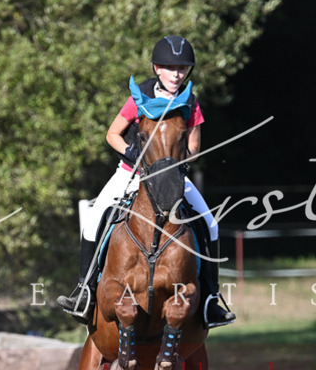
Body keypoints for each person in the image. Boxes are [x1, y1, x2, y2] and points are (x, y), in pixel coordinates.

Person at [57, 35, 235, 328]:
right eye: (169, 68)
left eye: (181, 69)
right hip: (131, 174)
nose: (176, 74)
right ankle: (84, 292)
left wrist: (172, 165)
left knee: (210, 224)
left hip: (173, 177)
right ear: (156, 68)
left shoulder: (190, 101)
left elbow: (194, 148)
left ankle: (211, 300)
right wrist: (132, 151)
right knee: (93, 221)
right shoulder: (139, 95)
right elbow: (112, 134)